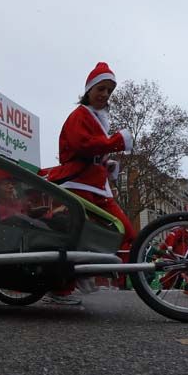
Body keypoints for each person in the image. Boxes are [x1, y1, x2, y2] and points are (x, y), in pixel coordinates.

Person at [42, 62, 135, 304]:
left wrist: (108, 164)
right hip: (78, 185)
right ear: (89, 90)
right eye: (101, 88)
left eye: (109, 91)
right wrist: (117, 142)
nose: (105, 94)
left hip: (97, 187)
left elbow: (92, 150)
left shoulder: (96, 118)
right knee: (77, 238)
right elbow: (82, 145)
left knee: (124, 231)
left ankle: (84, 272)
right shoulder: (79, 115)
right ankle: (61, 288)